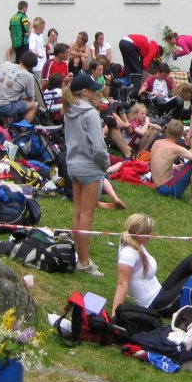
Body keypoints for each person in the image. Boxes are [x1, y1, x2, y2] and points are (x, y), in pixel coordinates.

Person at [64, 71, 109, 278]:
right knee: (87, 216)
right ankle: (83, 261)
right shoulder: (90, 113)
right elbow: (98, 146)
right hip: (89, 167)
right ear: (84, 92)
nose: (96, 92)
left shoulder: (69, 109)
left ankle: (79, 256)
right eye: (93, 89)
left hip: (72, 164)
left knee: (78, 212)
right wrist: (105, 163)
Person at [150, 119, 192, 210]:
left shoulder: (157, 142)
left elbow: (158, 163)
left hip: (157, 185)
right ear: (180, 135)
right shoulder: (176, 148)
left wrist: (173, 167)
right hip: (166, 189)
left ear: (166, 130)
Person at [111, 213, 160, 314]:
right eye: (149, 232)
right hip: (153, 302)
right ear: (138, 234)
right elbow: (122, 284)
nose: (151, 235)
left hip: (158, 291)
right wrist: (114, 316)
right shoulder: (129, 253)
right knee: (188, 279)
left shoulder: (136, 243)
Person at [0, 51, 40, 122]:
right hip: (4, 107)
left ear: (21, 59)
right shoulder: (29, 76)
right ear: (32, 66)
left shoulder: (5, 64)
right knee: (33, 105)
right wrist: (23, 98)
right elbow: (31, 98)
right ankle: (22, 129)